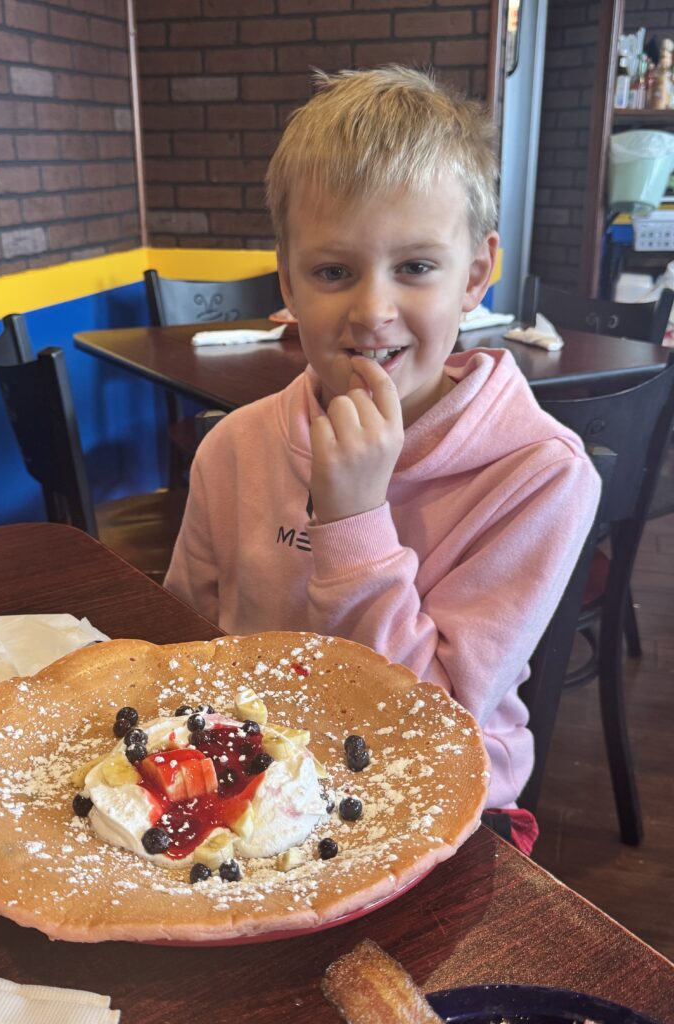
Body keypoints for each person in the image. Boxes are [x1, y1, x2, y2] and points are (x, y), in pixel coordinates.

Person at [165, 66, 600, 822]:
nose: (373, 312)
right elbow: (182, 652)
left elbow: (427, 729)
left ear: (475, 275)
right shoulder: (232, 449)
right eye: (334, 271)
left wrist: (355, 519)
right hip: (254, 794)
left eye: (416, 268)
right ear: (289, 289)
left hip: (442, 806)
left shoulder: (540, 475)